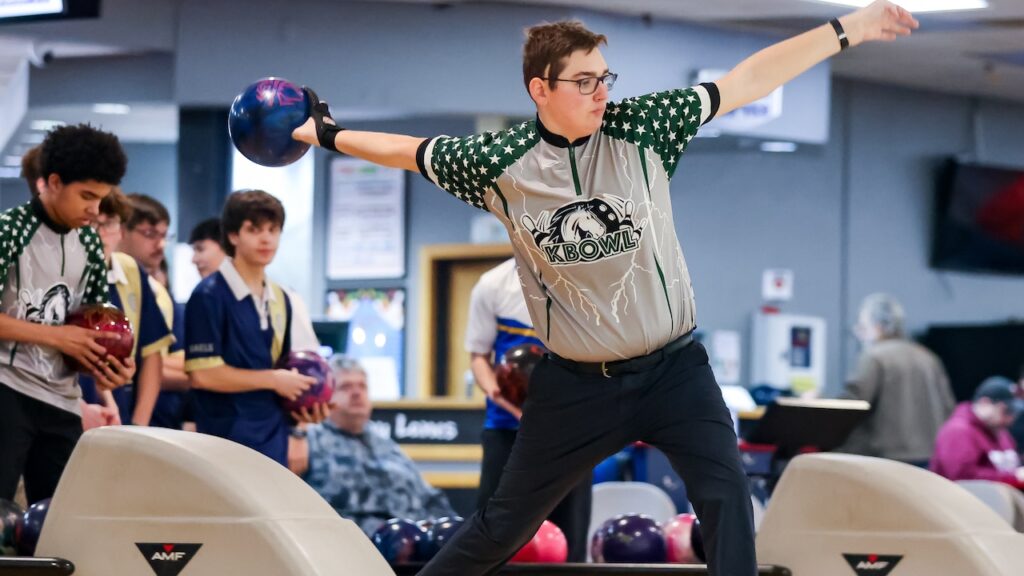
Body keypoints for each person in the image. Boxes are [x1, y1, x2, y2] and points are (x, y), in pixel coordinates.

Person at [292, 3, 918, 573]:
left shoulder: (643, 128)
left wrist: (849, 29)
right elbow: (409, 150)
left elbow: (749, 80)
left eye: (604, 77)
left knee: (728, 500)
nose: (600, 92)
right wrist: (326, 134)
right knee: (502, 524)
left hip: (676, 371)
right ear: (541, 88)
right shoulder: (499, 162)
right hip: (575, 385)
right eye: (584, 81)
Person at [0, 124, 135, 504]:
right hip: (8, 392)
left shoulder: (91, 241)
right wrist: (57, 336)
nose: (95, 210)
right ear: (53, 182)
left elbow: (92, 324)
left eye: (102, 198)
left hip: (63, 400)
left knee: (59, 522)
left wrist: (112, 366)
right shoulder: (8, 231)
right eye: (87, 196)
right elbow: (66, 335)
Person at [184, 190, 325, 464]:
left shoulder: (282, 297)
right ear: (233, 235)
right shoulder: (208, 295)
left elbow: (286, 367)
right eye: (254, 229)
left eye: (273, 230)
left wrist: (310, 404)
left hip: (274, 439)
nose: (266, 238)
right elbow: (203, 374)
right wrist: (273, 380)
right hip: (224, 442)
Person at [466, 258, 591, 561]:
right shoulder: (492, 284)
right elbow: (479, 356)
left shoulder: (584, 284)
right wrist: (498, 394)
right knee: (492, 533)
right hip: (505, 429)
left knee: (569, 537)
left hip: (571, 433)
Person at [289, 355, 455, 536]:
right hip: (348, 544)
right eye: (345, 387)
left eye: (362, 386)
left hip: (414, 545)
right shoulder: (308, 442)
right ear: (326, 395)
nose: (357, 393)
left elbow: (431, 499)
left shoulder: (387, 445)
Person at [82, 188, 175, 427]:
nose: (101, 233)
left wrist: (138, 426)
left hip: (122, 413)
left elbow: (151, 354)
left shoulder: (132, 272)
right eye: (93, 223)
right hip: (72, 409)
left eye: (109, 224)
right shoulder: (62, 270)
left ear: (121, 230)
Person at [838, 293, 955, 466]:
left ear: (877, 327)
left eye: (862, 327)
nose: (859, 334)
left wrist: (815, 403)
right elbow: (948, 407)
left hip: (885, 458)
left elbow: (853, 404)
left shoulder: (873, 356)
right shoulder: (928, 358)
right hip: (928, 457)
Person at [930, 376, 1024, 485]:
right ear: (985, 403)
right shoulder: (958, 431)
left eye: (1014, 413)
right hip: (960, 500)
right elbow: (961, 476)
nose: (1011, 418)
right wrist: (1013, 478)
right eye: (1007, 411)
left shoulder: (1000, 432)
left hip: (999, 498)